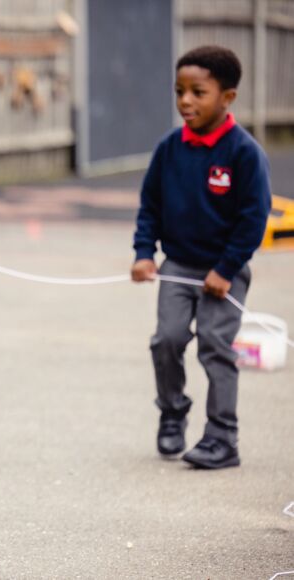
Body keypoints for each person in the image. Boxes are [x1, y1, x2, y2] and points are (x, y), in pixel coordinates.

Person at [132, 45, 271, 469]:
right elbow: (150, 206)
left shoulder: (244, 153)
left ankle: (222, 438)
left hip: (223, 272)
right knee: (167, 340)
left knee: (214, 345)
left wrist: (226, 269)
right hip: (178, 267)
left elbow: (253, 218)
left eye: (198, 92)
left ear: (227, 97)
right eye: (179, 91)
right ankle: (172, 412)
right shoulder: (169, 149)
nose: (186, 101)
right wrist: (144, 254)